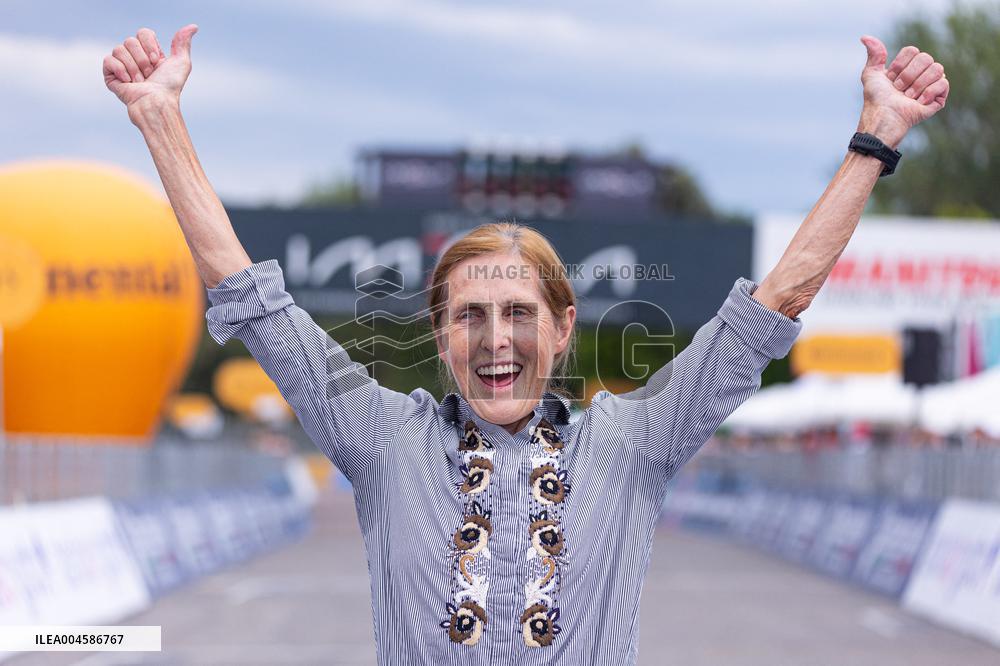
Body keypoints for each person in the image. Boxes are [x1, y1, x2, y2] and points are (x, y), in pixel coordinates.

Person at [103, 25, 949, 665]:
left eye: (517, 312)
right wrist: (160, 122)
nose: (495, 339)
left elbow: (777, 302)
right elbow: (254, 302)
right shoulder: (381, 437)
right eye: (469, 315)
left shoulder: (634, 442)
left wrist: (876, 140)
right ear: (439, 333)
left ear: (562, 326)